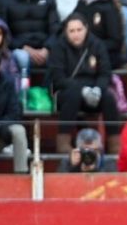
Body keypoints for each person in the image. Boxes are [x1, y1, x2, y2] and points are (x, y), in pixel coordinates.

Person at [47, 12, 118, 153]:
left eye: (79, 30)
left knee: (109, 97)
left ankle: (115, 144)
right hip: (67, 92)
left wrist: (98, 89)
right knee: (73, 95)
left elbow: (105, 73)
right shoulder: (58, 47)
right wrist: (82, 89)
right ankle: (64, 143)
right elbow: (58, 79)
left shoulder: (97, 45)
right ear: (66, 32)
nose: (76, 34)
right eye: (71, 31)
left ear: (86, 29)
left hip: (93, 91)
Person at [0, 0, 58, 86]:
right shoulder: (3, 0)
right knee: (22, 58)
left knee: (59, 55)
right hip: (19, 49)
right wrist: (24, 48)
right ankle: (22, 97)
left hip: (45, 48)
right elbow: (2, 33)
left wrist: (47, 48)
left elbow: (56, 28)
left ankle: (49, 96)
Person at [75, 0, 125, 69]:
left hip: (103, 56)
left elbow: (115, 41)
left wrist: (90, 47)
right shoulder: (80, 3)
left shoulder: (108, 8)